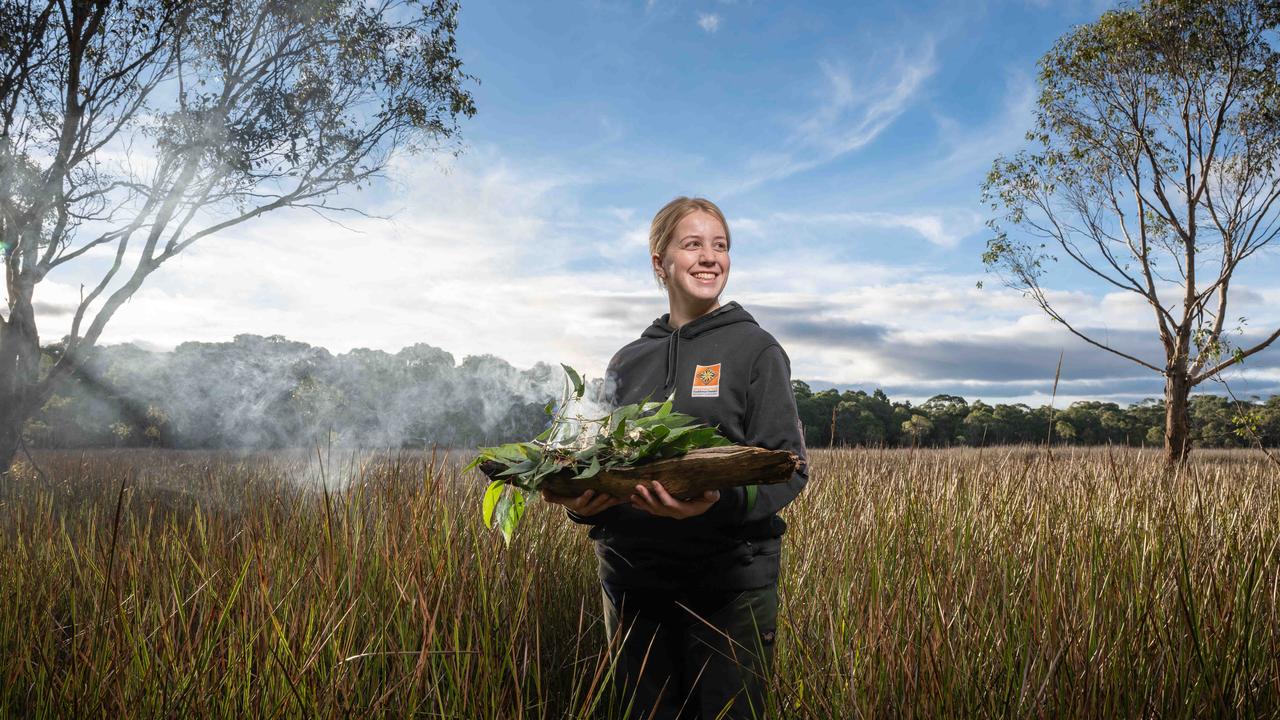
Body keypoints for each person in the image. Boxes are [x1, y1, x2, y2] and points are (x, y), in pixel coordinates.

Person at [542, 196, 809, 720]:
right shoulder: (628, 359)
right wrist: (582, 504)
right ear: (659, 263)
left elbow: (789, 467)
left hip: (728, 588)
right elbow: (603, 461)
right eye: (693, 244)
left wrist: (714, 505)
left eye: (721, 246)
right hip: (633, 584)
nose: (711, 257)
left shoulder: (757, 350)